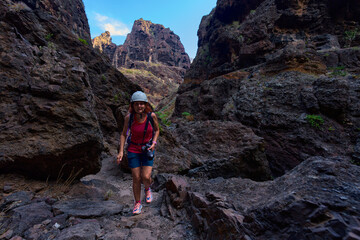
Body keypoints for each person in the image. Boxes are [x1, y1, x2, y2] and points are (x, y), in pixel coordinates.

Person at [116, 91, 160, 215]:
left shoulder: (151, 116)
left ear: (145, 105)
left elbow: (157, 130)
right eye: (136, 104)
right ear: (132, 105)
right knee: (136, 178)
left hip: (147, 149)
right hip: (133, 149)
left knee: (145, 177)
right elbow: (124, 134)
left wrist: (154, 143)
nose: (139, 106)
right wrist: (121, 152)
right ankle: (137, 203)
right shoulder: (129, 118)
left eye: (142, 104)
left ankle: (147, 188)